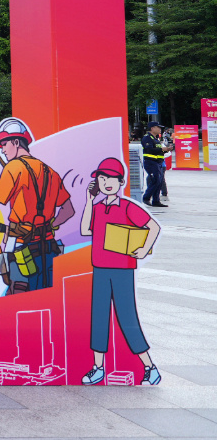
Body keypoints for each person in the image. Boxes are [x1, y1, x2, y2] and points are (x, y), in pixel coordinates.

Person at [78, 157, 161, 386]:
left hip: (122, 270)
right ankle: (98, 367)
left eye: (111, 179)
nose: (106, 183)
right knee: (99, 317)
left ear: (121, 182)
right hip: (100, 268)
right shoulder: (97, 207)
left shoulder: (127, 207)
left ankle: (149, 367)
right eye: (102, 178)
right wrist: (89, 200)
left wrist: (143, 249)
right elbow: (85, 229)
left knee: (127, 317)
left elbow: (153, 226)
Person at [0, 117, 74, 292]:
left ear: (16, 142)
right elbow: (68, 210)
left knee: (20, 295)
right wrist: (50, 225)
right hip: (49, 247)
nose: (2, 150)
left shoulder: (14, 168)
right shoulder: (49, 171)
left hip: (22, 249)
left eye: (4, 144)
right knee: (46, 293)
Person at [140, 123, 172, 209]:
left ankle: (156, 201)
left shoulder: (156, 139)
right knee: (155, 180)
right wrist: (162, 149)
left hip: (158, 163)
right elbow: (149, 150)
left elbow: (157, 151)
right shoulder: (147, 138)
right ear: (152, 128)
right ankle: (146, 198)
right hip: (151, 162)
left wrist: (166, 150)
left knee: (159, 181)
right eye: (158, 128)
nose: (160, 129)